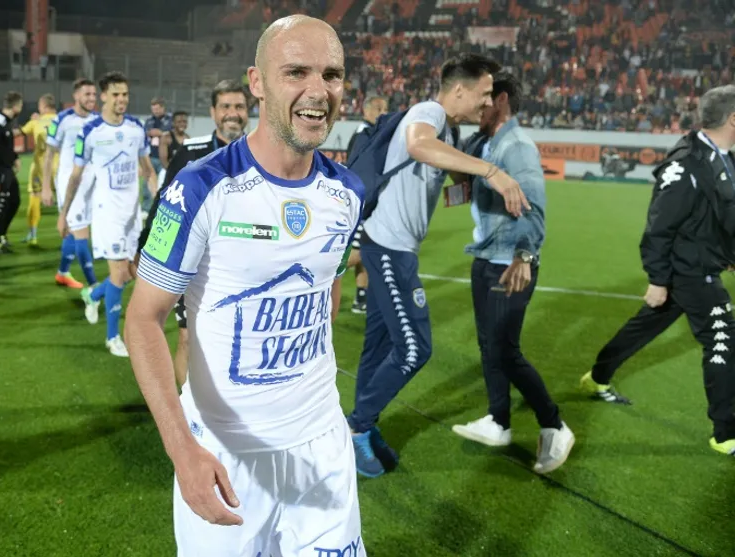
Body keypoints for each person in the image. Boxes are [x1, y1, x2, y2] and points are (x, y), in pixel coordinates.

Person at [124, 15, 366, 556]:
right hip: (225, 454)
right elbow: (142, 319)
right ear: (257, 82)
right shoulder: (200, 188)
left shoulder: (348, 193)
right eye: (296, 72)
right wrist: (182, 449)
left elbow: (327, 291)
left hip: (322, 447)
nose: (318, 91)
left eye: (331, 74)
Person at [346, 53, 528, 478]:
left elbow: (443, 174)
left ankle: (362, 427)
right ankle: (356, 427)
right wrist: (491, 172)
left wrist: (468, 177)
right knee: (414, 348)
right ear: (459, 90)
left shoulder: (449, 129)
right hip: (388, 248)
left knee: (378, 345)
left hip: (394, 247)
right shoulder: (428, 112)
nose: (488, 102)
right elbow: (418, 145)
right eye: (484, 93)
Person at [581, 84, 735, 456]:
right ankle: (725, 434)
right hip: (690, 272)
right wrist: (657, 279)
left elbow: (716, 216)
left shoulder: (722, 157)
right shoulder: (686, 164)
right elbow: (659, 226)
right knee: (724, 341)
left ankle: (597, 377)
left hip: (699, 265)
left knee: (643, 327)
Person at [450, 72, 575, 474]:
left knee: (505, 349)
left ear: (501, 99)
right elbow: (459, 182)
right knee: (489, 345)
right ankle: (498, 420)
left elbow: (532, 204)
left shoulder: (516, 145)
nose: (478, 105)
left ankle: (554, 424)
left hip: (509, 262)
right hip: (486, 257)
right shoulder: (482, 142)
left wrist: (524, 256)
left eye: (484, 97)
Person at [136, 79, 250, 387]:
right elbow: (165, 201)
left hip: (241, 267)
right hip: (194, 263)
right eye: (225, 106)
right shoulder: (190, 152)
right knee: (188, 338)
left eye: (239, 106)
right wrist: (144, 244)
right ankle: (186, 408)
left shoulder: (261, 154)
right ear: (213, 112)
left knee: (232, 343)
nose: (233, 113)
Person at [58, 71, 157, 357]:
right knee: (118, 274)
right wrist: (64, 213)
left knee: (131, 274)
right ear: (104, 96)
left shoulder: (136, 128)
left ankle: (92, 295)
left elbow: (148, 170)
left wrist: (159, 199)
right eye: (115, 94)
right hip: (106, 214)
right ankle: (113, 337)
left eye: (125, 94)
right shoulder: (90, 133)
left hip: (132, 215)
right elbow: (76, 176)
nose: (121, 99)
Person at [43, 79, 100, 289]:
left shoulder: (98, 120)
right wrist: (46, 187)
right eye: (87, 94)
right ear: (76, 96)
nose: (92, 98)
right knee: (82, 233)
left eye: (94, 94)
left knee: (72, 229)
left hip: (92, 183)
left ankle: (63, 273)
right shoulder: (62, 120)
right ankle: (93, 288)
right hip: (70, 183)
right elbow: (49, 155)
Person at [346, 96, 389, 315]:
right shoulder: (363, 135)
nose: (384, 113)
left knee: (364, 252)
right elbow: (361, 173)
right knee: (359, 253)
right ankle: (318, 277)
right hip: (363, 205)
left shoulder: (368, 133)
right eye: (379, 109)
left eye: (386, 109)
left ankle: (361, 298)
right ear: (367, 110)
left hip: (366, 204)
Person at [0, 91, 24, 253]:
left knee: (14, 201)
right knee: (2, 205)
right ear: (15, 106)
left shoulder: (6, 122)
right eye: (20, 106)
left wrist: (15, 157)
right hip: (1, 171)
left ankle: (2, 234)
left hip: (8, 170)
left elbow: (5, 147)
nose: (20, 109)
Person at [20, 93, 58, 245]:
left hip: (40, 167)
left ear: (43, 106)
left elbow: (20, 132)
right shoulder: (62, 120)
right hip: (60, 167)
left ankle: (33, 235)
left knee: (34, 198)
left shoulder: (36, 121)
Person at [143, 97, 172, 212]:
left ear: (163, 108)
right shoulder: (149, 120)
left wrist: (160, 133)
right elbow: (144, 133)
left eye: (157, 109)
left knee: (165, 184)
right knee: (147, 183)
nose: (155, 111)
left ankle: (163, 208)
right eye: (153, 109)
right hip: (151, 156)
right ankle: (146, 208)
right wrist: (149, 133)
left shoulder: (170, 120)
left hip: (164, 158)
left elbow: (171, 133)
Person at [158, 110, 190, 183]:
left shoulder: (188, 138)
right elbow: (163, 160)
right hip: (167, 173)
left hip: (182, 175)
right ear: (173, 123)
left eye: (184, 121)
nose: (182, 124)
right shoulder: (166, 137)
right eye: (179, 122)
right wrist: (173, 174)